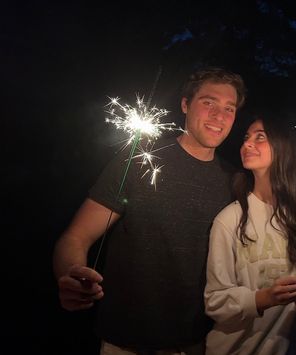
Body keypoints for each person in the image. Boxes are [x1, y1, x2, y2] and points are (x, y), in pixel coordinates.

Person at [53, 67, 246, 355]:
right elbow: (76, 238)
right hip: (124, 339)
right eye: (208, 103)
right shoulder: (140, 160)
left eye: (229, 108)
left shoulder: (234, 182)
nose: (219, 116)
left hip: (195, 342)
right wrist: (70, 277)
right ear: (185, 104)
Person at [204, 117, 296, 355]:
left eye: (260, 136)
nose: (247, 144)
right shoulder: (230, 219)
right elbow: (215, 301)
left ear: (284, 147)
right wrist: (264, 298)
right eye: (246, 137)